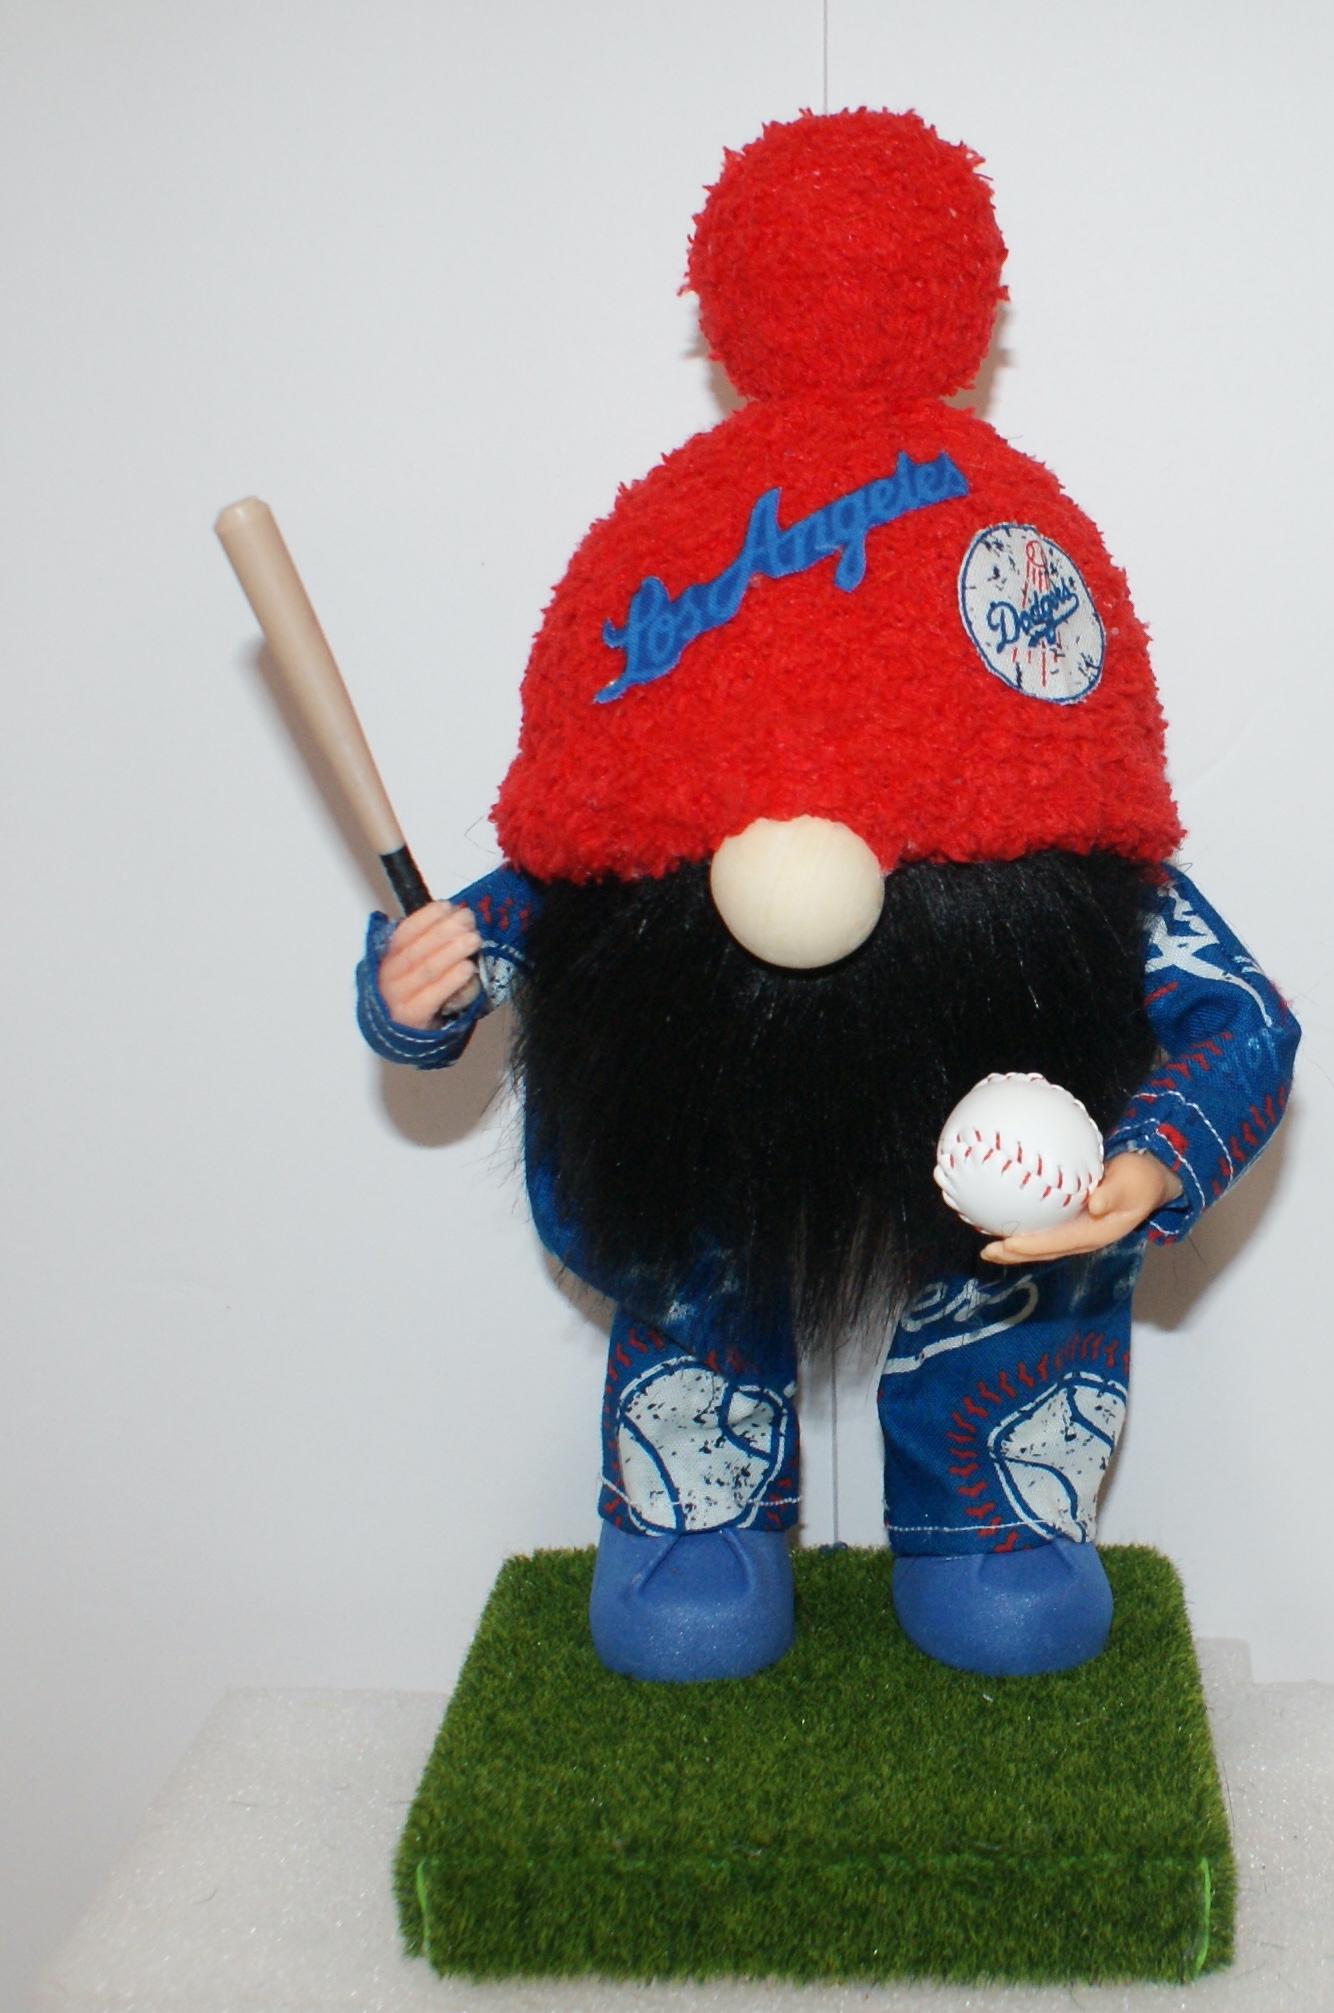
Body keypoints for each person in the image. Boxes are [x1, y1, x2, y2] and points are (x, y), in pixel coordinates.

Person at [354, 110, 1299, 1680]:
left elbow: (1237, 1015)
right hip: (721, 1118)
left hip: (973, 1107)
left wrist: (1152, 1156)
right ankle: (695, 1505)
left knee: (1019, 1256)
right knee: (689, 1231)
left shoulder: (1028, 665)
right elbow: (510, 919)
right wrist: (414, 988)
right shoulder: (670, 595)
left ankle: (994, 1511)